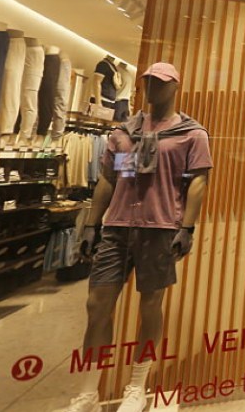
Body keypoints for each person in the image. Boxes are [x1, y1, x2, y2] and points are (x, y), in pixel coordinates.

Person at [65, 62, 212, 412]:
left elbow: (198, 181)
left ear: (175, 86)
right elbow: (110, 179)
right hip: (117, 227)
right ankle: (89, 389)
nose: (152, 88)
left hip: (160, 228)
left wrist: (187, 227)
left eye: (160, 83)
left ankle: (137, 385)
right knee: (97, 305)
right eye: (148, 81)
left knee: (150, 307)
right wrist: (92, 224)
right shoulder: (125, 132)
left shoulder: (191, 134)